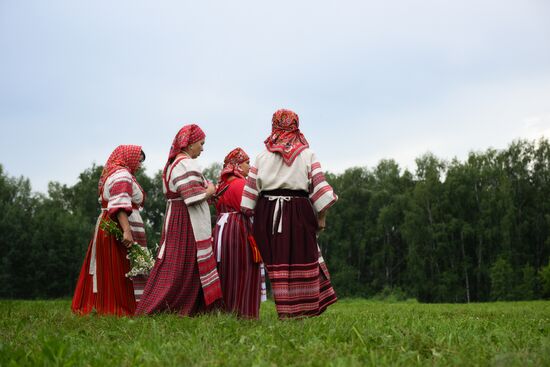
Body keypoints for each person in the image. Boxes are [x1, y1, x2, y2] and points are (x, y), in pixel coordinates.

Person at [241, 109, 338, 318]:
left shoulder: (261, 156)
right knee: (302, 260)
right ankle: (302, 311)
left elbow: (248, 199)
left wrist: (251, 216)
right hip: (299, 211)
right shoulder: (307, 154)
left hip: (267, 213)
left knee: (278, 263)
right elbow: (320, 190)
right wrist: (321, 218)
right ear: (296, 125)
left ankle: (285, 311)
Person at [136, 124, 222, 316]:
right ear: (190, 144)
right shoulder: (185, 163)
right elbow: (191, 195)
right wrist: (209, 190)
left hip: (178, 215)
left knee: (178, 261)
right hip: (185, 219)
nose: (202, 148)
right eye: (201, 143)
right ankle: (169, 306)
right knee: (182, 262)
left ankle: (183, 307)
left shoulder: (173, 163)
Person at [72, 145, 148, 316]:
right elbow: (120, 204)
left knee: (109, 265)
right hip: (118, 225)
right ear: (128, 158)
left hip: (109, 223)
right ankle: (120, 307)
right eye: (139, 160)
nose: (140, 165)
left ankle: (104, 304)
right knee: (121, 267)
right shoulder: (122, 174)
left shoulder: (113, 173)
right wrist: (126, 231)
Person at [212, 148, 265, 319]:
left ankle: (225, 310)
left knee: (226, 270)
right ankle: (244, 312)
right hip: (238, 230)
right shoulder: (241, 184)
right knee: (243, 269)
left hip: (221, 230)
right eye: (247, 163)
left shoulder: (222, 185)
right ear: (237, 165)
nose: (250, 166)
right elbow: (249, 209)